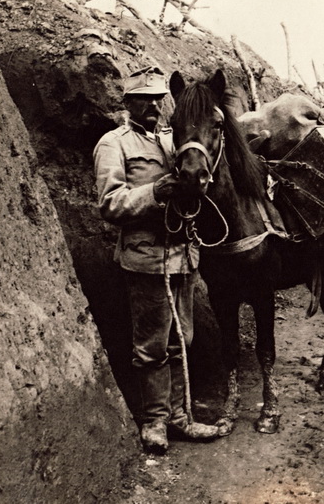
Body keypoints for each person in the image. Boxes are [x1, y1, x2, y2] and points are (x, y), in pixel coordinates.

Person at [93, 67, 221, 455]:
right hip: (147, 260)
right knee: (151, 346)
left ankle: (181, 418)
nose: (152, 106)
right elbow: (109, 203)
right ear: (128, 103)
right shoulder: (114, 144)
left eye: (156, 99)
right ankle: (154, 422)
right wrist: (155, 192)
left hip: (183, 257)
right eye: (142, 99)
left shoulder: (172, 141)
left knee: (183, 340)